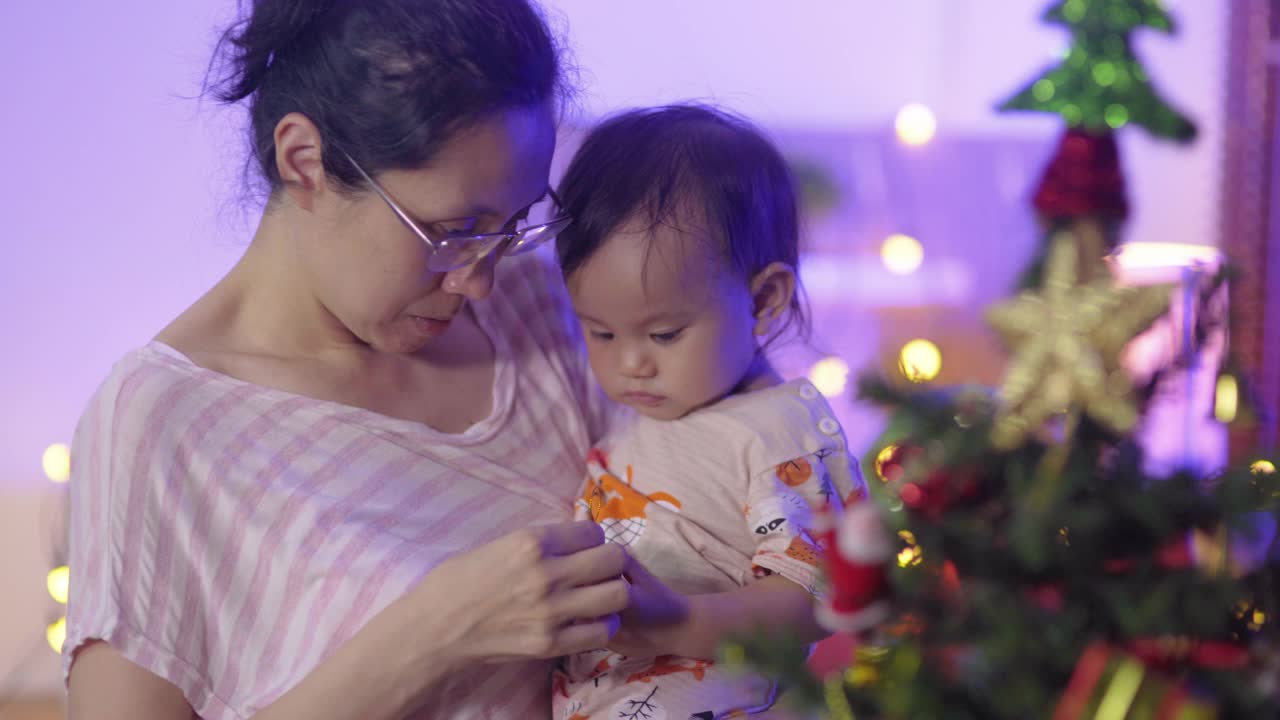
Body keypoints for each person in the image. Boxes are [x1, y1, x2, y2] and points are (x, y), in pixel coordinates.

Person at [61, 1, 671, 718]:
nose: (476, 279)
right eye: (452, 232)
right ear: (305, 162)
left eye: (511, 227)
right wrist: (435, 632)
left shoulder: (544, 310)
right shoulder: (164, 426)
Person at [550, 105, 867, 720]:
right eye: (601, 333)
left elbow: (813, 595)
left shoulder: (778, 433)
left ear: (764, 300)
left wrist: (682, 623)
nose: (630, 365)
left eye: (664, 334)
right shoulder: (644, 407)